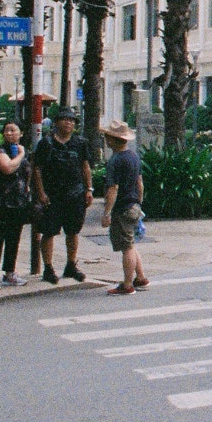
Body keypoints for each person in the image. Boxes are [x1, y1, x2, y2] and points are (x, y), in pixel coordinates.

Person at [29, 106, 91, 284]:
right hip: (53, 195)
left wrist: (89, 189)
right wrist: (41, 192)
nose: (68, 123)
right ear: (56, 122)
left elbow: (85, 166)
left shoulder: (80, 143)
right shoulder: (46, 143)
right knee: (49, 232)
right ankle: (48, 268)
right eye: (65, 119)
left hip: (75, 194)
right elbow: (37, 169)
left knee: (73, 231)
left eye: (71, 120)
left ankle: (71, 265)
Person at [99, 119, 148, 295]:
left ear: (113, 140)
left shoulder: (115, 160)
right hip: (134, 205)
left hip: (123, 207)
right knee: (131, 243)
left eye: (107, 137)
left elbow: (113, 189)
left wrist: (107, 213)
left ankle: (127, 284)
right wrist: (139, 202)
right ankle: (140, 277)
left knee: (126, 247)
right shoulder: (134, 156)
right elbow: (139, 182)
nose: (106, 139)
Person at [0, 122, 31, 287]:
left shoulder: (23, 151)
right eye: (6, 130)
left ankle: (10, 272)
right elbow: (8, 168)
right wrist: (21, 154)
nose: (9, 133)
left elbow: (27, 174)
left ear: (21, 133)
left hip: (18, 202)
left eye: (13, 130)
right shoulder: (0, 151)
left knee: (14, 238)